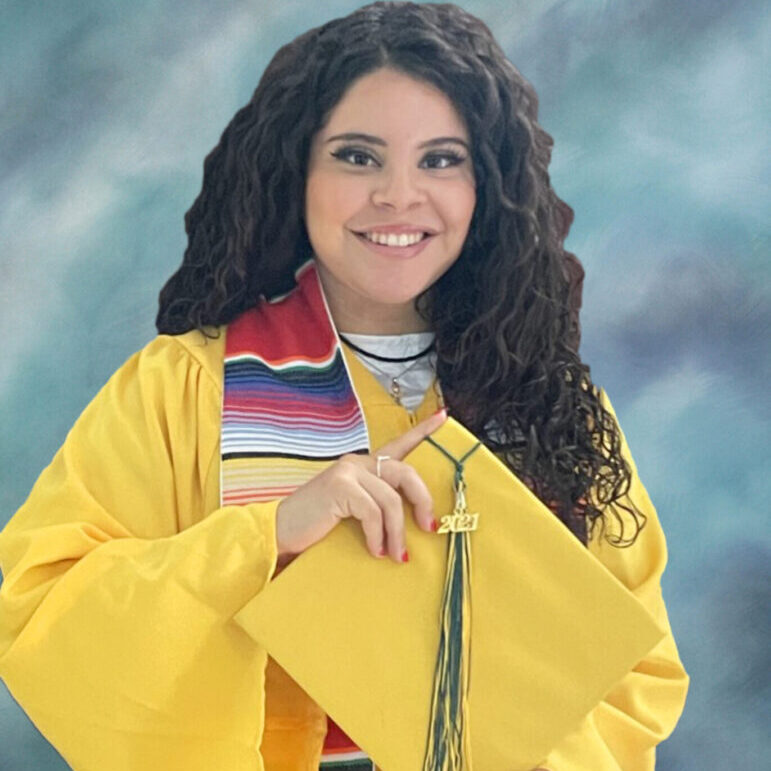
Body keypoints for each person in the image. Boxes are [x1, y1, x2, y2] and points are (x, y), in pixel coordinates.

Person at [0, 2, 689, 769]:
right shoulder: (182, 388)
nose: (398, 196)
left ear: (485, 186)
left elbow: (638, 670)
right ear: (297, 170)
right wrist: (266, 537)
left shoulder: (548, 404)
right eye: (357, 157)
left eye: (440, 159)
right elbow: (44, 617)